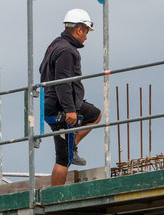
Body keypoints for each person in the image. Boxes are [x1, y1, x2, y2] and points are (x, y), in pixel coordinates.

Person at [39, 8, 102, 186]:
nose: (87, 37)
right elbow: (63, 82)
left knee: (94, 115)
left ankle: (72, 145)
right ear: (79, 29)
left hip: (54, 103)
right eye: (87, 32)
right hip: (60, 108)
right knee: (63, 159)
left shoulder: (55, 44)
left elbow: (42, 71)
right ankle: (55, 198)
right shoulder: (67, 51)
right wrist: (70, 110)